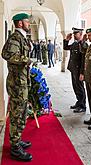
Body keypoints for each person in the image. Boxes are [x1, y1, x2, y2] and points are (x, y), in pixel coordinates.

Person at [1, 13, 32, 161]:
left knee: (22, 113)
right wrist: (27, 60)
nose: (29, 23)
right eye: (27, 21)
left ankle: (17, 140)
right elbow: (7, 54)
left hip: (22, 82)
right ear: (20, 23)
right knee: (16, 114)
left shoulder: (21, 38)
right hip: (17, 83)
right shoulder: (15, 38)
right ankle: (14, 148)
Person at [63, 27, 88, 113]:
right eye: (73, 34)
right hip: (73, 69)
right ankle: (78, 102)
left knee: (80, 87)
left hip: (78, 70)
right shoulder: (75, 44)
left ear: (80, 34)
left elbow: (83, 61)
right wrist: (66, 39)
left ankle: (82, 105)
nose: (74, 35)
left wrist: (82, 73)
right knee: (75, 86)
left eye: (75, 34)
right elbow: (66, 47)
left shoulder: (83, 45)